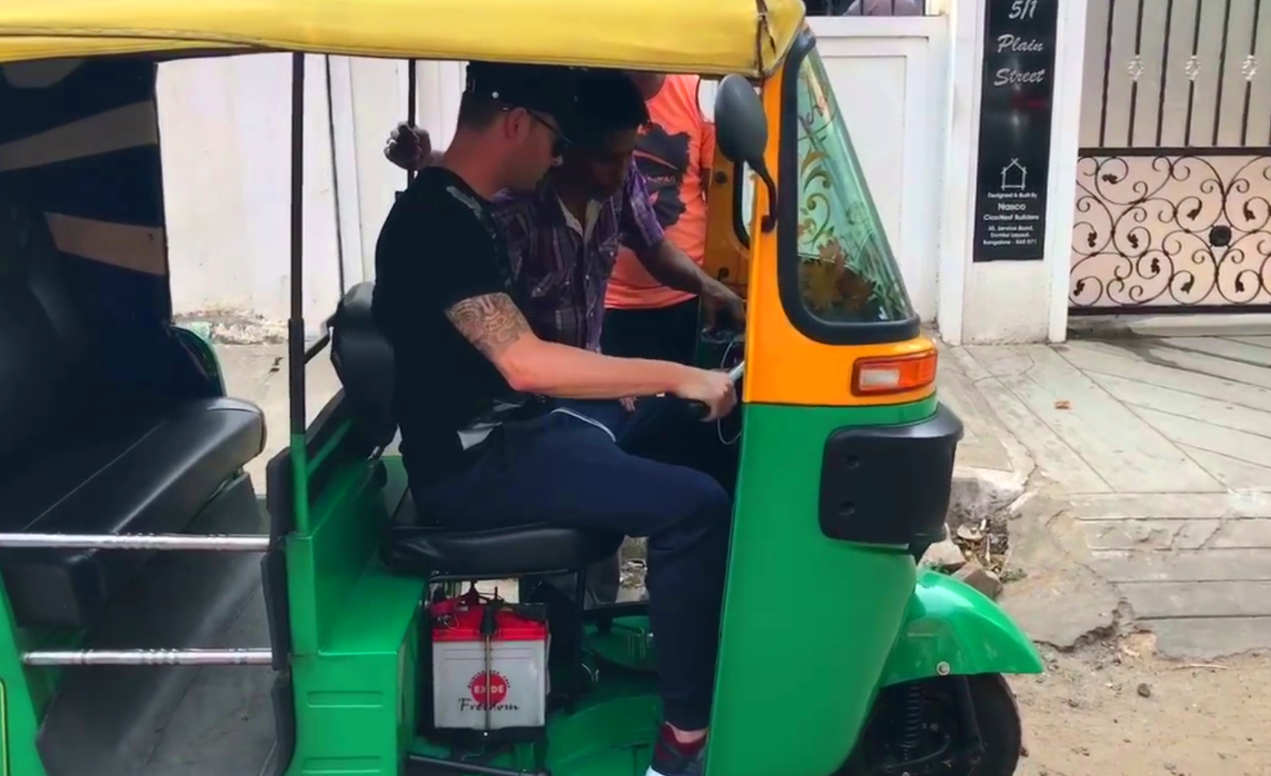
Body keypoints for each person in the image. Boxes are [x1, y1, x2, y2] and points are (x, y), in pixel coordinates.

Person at [373, 61, 735, 776]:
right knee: (695, 506)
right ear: (516, 125)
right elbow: (526, 362)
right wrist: (677, 373)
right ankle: (686, 737)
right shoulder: (439, 220)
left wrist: (660, 389)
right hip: (474, 465)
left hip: (518, 430)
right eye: (552, 136)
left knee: (694, 439)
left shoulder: (461, 206)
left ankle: (694, 639)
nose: (556, 153)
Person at [603, 73, 718, 365]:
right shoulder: (593, 92)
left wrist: (708, 285)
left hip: (683, 297)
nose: (623, 171)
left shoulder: (696, 94)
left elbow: (717, 195)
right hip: (604, 301)